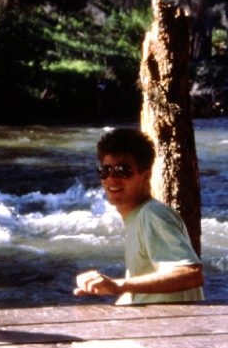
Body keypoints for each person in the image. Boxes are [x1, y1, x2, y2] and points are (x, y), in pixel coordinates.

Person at [74, 128, 205, 304]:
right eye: (105, 170)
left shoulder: (152, 214)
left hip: (171, 320)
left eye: (123, 170)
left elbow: (190, 274)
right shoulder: (137, 217)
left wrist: (118, 285)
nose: (112, 179)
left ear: (146, 176)